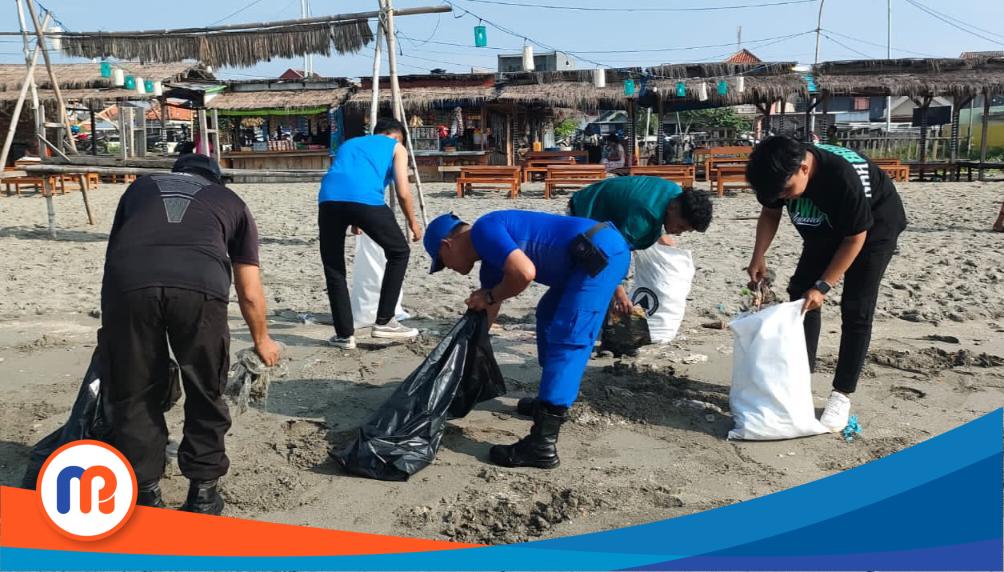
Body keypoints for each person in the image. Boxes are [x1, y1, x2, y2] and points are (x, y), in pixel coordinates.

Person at [101, 154, 281, 514]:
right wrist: (262, 339)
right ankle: (203, 492)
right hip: (200, 289)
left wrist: (112, 335)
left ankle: (145, 492)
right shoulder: (232, 202)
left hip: (129, 285)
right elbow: (248, 290)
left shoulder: (139, 189)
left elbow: (116, 255)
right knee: (205, 387)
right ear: (216, 180)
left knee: (134, 390)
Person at [423, 210, 631, 469]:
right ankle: (547, 399)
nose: (449, 269)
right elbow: (492, 304)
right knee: (548, 314)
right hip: (588, 252)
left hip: (598, 252)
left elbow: (524, 273)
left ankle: (542, 444)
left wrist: (488, 297)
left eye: (442, 262)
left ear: (447, 244)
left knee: (569, 336)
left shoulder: (484, 230)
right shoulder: (490, 257)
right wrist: (471, 349)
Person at [745, 135, 907, 432]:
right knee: (800, 296)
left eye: (788, 191)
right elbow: (770, 212)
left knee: (856, 306)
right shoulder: (775, 174)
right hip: (825, 226)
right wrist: (758, 256)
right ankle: (800, 377)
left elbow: (856, 237)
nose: (785, 198)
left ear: (804, 169)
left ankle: (841, 394)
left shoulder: (841, 178)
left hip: (873, 227)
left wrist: (824, 286)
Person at [317, 118, 423, 349]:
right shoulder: (397, 146)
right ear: (395, 136)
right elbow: (403, 192)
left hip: (328, 200)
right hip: (365, 200)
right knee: (399, 252)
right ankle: (384, 321)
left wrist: (355, 219)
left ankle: (345, 335)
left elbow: (350, 175)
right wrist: (414, 223)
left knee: (334, 268)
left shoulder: (350, 143)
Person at [567, 176, 713, 315]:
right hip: (584, 211)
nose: (679, 233)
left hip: (610, 211)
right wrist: (620, 295)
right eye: (680, 227)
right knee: (588, 280)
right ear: (673, 207)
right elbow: (611, 255)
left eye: (685, 230)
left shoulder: (676, 193)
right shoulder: (643, 218)